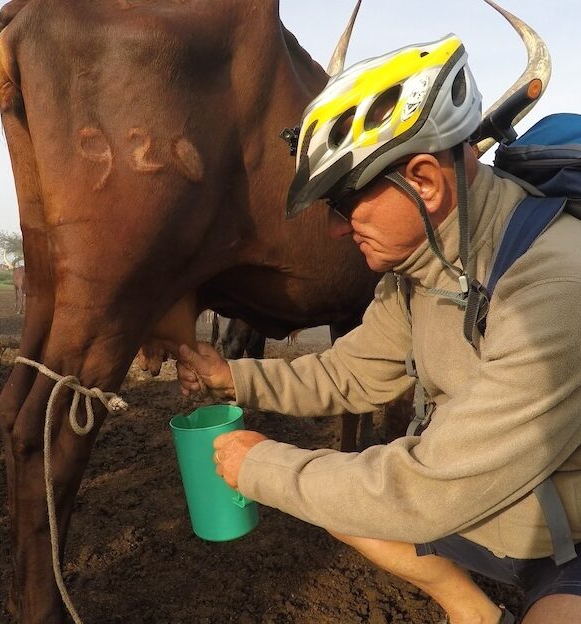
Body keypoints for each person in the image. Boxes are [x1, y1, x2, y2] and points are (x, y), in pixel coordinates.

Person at [177, 35, 581, 624]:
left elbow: (429, 488)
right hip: (486, 504)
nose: (338, 230)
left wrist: (260, 466)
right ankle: (474, 611)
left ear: (424, 180)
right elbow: (348, 373)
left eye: (343, 204)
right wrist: (230, 378)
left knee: (343, 486)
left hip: (566, 537)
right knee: (335, 493)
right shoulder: (418, 270)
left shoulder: (554, 288)